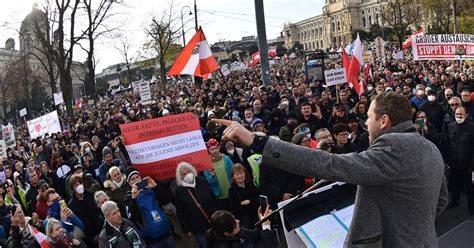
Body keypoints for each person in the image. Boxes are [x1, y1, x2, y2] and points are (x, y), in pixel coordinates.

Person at [213, 92, 448, 247]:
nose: (365, 123)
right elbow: (440, 201)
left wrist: (257, 141)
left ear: (384, 120)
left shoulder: (393, 148)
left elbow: (331, 164)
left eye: (368, 117)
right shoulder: (430, 148)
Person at [124, 167, 173, 248]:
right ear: (129, 183)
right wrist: (133, 199)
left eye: (137, 177)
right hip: (151, 239)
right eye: (133, 179)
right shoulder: (128, 197)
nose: (136, 180)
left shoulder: (150, 188)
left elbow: (167, 199)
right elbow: (132, 218)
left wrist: (156, 186)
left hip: (165, 231)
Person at [174, 162, 216, 248]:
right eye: (184, 174)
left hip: (213, 220)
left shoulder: (202, 180)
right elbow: (180, 212)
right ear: (180, 177)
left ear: (192, 171)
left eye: (188, 171)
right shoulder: (179, 191)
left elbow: (214, 198)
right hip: (197, 226)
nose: (187, 175)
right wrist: (186, 229)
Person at [442, 106, 474, 215]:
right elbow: (447, 144)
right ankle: (455, 201)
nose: (458, 116)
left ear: (466, 115)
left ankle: (471, 207)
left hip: (467, 165)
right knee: (455, 184)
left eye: (460, 114)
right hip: (453, 163)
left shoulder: (472, 128)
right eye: (456, 114)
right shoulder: (450, 126)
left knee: (469, 188)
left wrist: (472, 167)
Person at [205, 207, 277, 248]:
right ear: (227, 233)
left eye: (234, 219)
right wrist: (265, 225)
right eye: (234, 223)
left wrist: (262, 220)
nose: (238, 221)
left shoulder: (235, 232)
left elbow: (253, 235)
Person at [228, 164, 259, 229]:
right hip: (246, 222)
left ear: (245, 174)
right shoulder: (232, 191)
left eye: (241, 173)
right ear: (233, 177)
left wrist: (249, 201)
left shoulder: (250, 184)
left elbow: (259, 198)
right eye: (237, 174)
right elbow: (235, 209)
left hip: (257, 217)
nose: (240, 176)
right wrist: (252, 202)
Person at [203, 139, 232, 210]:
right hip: (218, 194)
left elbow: (232, 173)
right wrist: (212, 176)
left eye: (216, 148)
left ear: (219, 148)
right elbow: (208, 181)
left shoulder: (226, 159)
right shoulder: (207, 163)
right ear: (209, 151)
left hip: (231, 191)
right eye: (212, 149)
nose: (214, 151)